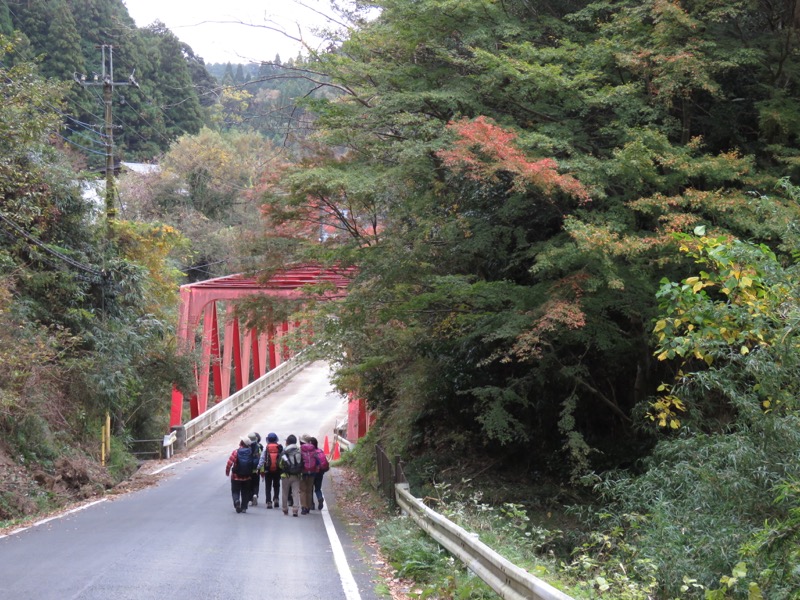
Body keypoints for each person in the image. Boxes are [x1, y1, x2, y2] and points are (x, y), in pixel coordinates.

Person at [225, 436, 255, 513]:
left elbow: (229, 463)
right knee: (245, 492)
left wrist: (227, 472)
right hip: (247, 477)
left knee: (235, 491)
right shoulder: (251, 452)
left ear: (242, 443)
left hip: (236, 476)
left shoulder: (236, 452)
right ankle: (244, 507)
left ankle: (237, 501)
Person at [279, 434, 302, 517]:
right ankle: (295, 510)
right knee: (295, 492)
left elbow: (280, 464)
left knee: (285, 493)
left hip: (286, 475)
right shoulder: (299, 450)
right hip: (297, 475)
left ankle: (285, 509)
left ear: (287, 442)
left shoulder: (285, 451)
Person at [257, 432, 283, 509]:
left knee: (268, 486)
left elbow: (262, 459)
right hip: (277, 470)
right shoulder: (279, 447)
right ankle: (276, 499)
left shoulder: (266, 448)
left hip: (268, 470)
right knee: (276, 485)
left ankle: (268, 502)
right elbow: (282, 458)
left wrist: (258, 467)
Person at [299, 434, 319, 515]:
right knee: (309, 490)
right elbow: (317, 460)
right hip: (312, 471)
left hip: (303, 471)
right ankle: (308, 507)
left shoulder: (300, 449)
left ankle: (303, 507)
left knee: (302, 490)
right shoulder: (313, 448)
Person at [309, 436, 329, 511]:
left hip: (312, 472)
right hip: (320, 472)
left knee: (310, 488)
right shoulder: (320, 451)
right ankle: (320, 498)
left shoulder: (310, 453)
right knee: (318, 488)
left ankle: (311, 504)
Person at [248, 432, 263, 507]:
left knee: (249, 484)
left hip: (248, 469)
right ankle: (255, 494)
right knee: (256, 484)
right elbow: (261, 459)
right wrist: (261, 470)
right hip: (256, 469)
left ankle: (250, 499)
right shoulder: (259, 447)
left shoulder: (247, 446)